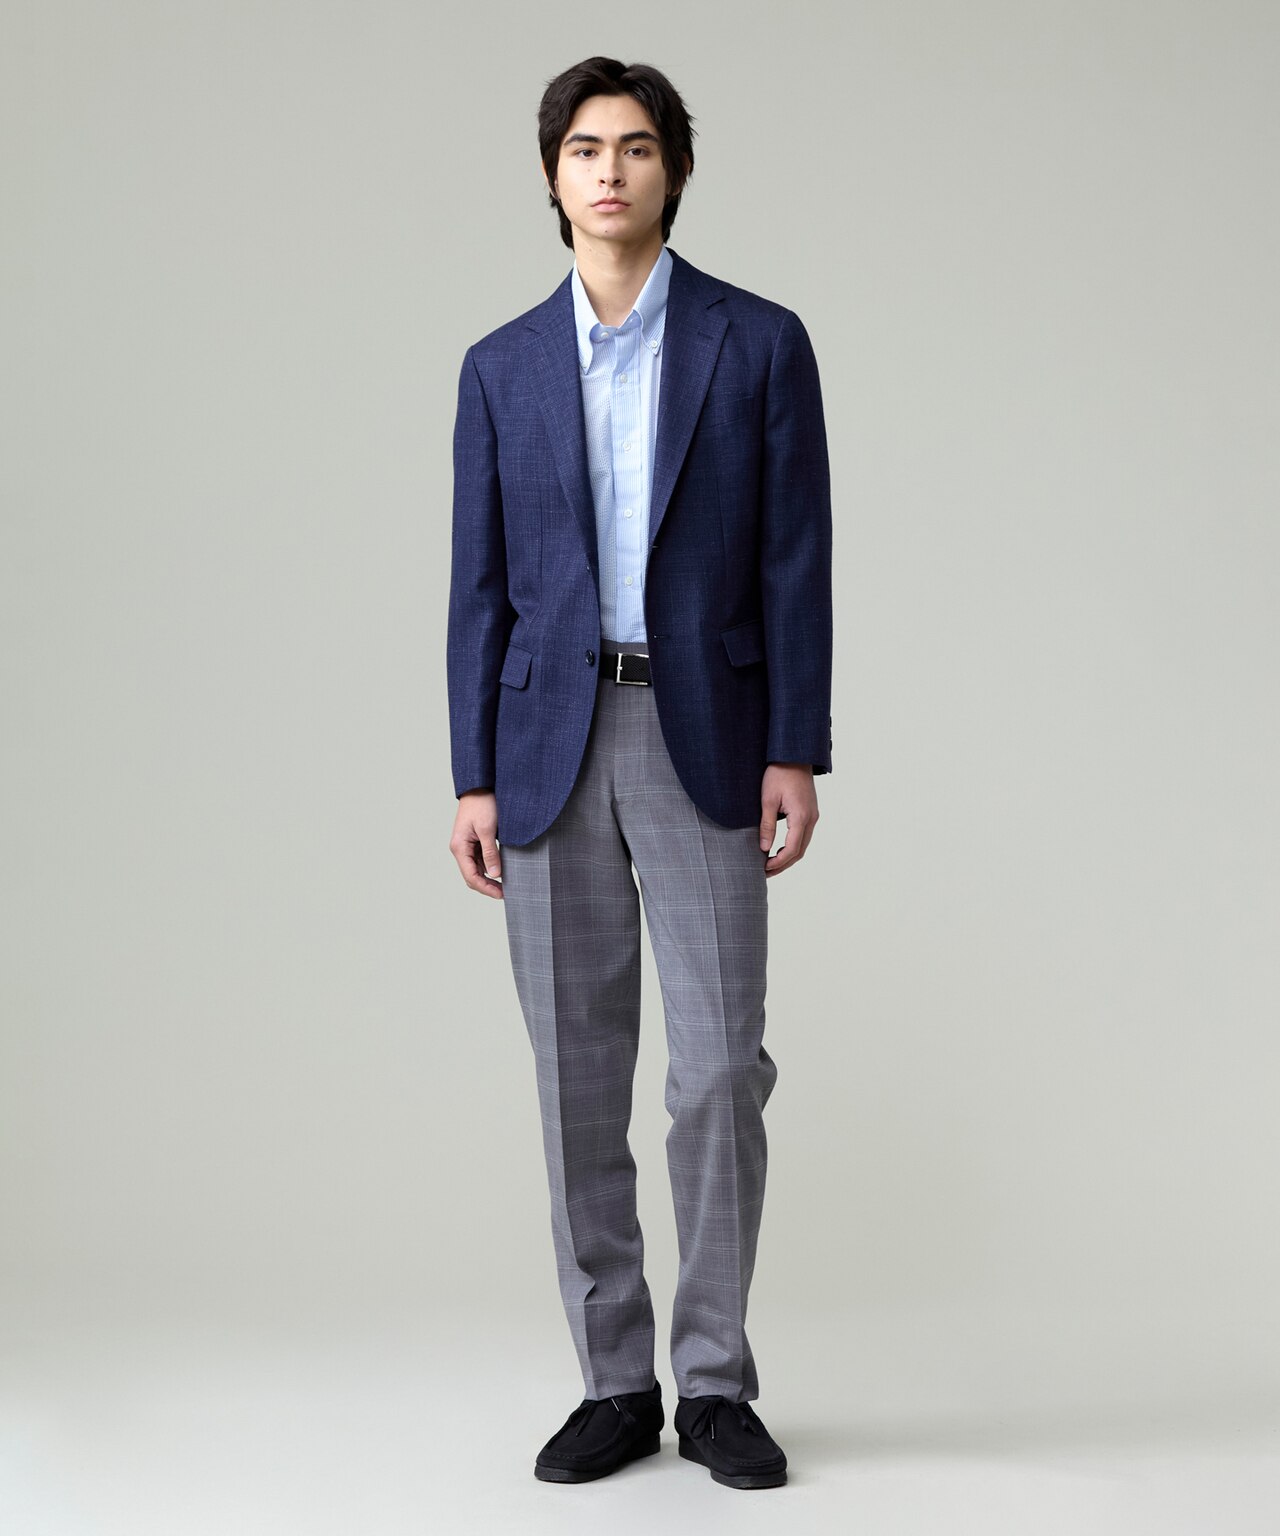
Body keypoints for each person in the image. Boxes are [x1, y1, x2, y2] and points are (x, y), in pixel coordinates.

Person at [446, 55, 833, 1491]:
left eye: (637, 147)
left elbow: (796, 558)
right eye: (585, 149)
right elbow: (478, 588)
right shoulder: (500, 367)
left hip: (708, 733)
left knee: (720, 1065)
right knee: (575, 1078)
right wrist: (472, 773)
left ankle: (715, 1382)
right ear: (553, 177)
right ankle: (614, 1381)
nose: (609, 170)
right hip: (545, 745)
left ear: (673, 170)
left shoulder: (759, 342)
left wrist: (797, 744)